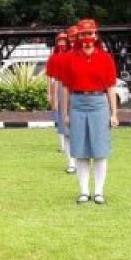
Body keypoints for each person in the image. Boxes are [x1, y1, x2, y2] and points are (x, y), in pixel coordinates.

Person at [60, 19, 119, 205]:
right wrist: (66, 114)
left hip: (98, 103)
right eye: (84, 34)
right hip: (77, 103)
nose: (88, 37)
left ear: (96, 35)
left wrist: (114, 113)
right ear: (79, 36)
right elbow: (66, 88)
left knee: (100, 151)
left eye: (91, 33)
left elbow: (110, 87)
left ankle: (99, 191)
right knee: (81, 150)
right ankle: (84, 191)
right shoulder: (70, 58)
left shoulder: (105, 58)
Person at [46, 30, 76, 174]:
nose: (63, 43)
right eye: (61, 40)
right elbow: (52, 78)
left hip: (79, 93)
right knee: (63, 123)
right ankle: (70, 159)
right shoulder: (55, 58)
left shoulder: (79, 55)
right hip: (62, 89)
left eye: (66, 40)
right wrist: (51, 95)